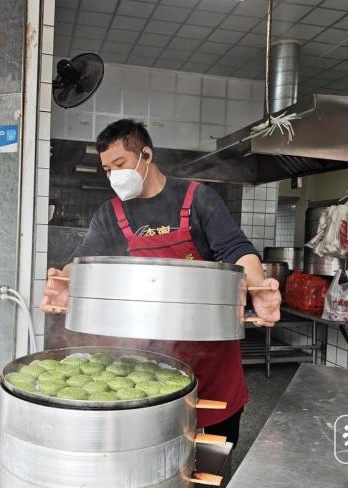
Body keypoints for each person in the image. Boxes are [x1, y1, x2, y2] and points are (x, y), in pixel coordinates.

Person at [41, 119, 282, 445]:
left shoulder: (197, 198)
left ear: (146, 155)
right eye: (107, 170)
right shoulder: (111, 214)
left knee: (213, 457)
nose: (113, 176)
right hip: (143, 363)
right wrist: (64, 280)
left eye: (120, 164)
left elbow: (236, 250)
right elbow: (83, 260)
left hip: (209, 359)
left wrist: (259, 287)